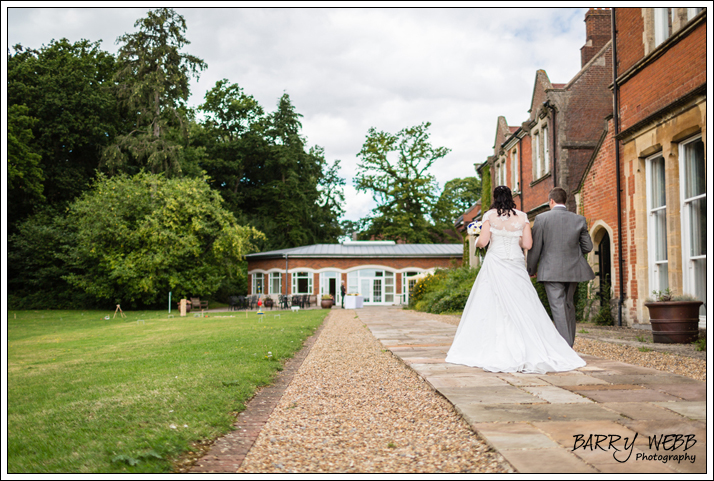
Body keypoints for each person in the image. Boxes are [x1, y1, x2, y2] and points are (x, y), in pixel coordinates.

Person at [445, 185, 585, 373]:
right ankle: (536, 345)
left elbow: (484, 242)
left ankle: (494, 345)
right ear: (511, 198)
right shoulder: (522, 217)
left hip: (496, 262)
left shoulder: (489, 216)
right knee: (524, 303)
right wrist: (514, 238)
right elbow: (527, 243)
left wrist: (477, 239)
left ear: (495, 198)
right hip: (515, 263)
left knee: (492, 302)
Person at [527, 187, 596, 347]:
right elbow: (588, 247)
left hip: (550, 270)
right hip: (573, 270)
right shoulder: (579, 219)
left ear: (551, 201)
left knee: (558, 306)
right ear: (564, 201)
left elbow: (535, 247)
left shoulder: (541, 219)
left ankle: (565, 348)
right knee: (568, 305)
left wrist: (531, 269)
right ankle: (569, 344)